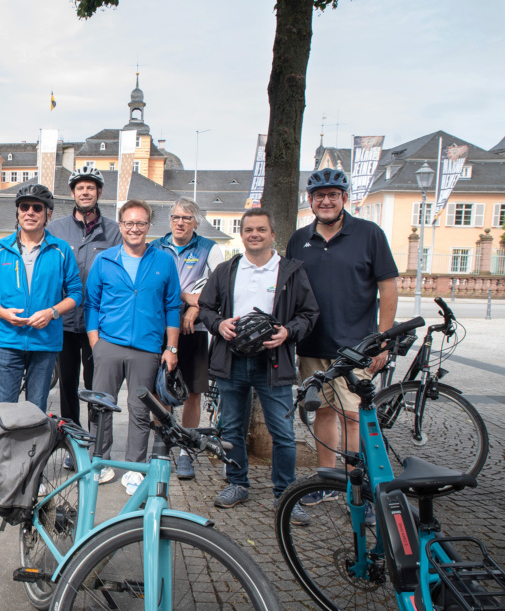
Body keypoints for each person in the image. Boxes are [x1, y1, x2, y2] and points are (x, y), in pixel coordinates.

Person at [198, 208, 319, 522]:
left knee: (283, 432)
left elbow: (309, 314)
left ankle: (286, 495)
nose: (254, 234)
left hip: (273, 362)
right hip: (232, 359)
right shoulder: (227, 270)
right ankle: (238, 484)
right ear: (242, 234)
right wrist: (219, 325)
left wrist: (288, 332)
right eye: (249, 229)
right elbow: (206, 308)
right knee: (232, 428)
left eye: (261, 230)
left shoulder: (291, 271)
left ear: (272, 234)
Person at [286, 168, 398, 505]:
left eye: (333, 194)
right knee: (322, 412)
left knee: (353, 416)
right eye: (319, 195)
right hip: (312, 344)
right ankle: (326, 479)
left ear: (344, 198)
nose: (326, 200)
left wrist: (384, 338)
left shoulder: (369, 234)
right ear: (310, 200)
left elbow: (388, 287)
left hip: (355, 347)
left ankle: (357, 487)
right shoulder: (299, 239)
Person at [0, 184, 82, 501]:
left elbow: (75, 294)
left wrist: (51, 312)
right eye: (25, 207)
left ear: (48, 213)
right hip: (8, 339)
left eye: (37, 208)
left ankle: (32, 477)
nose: (30, 213)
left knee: (36, 413)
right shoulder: (0, 249)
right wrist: (2, 312)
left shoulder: (61, 250)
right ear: (18, 212)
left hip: (45, 341)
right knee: (3, 409)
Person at [84, 199, 181, 490]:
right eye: (129, 223)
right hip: (108, 345)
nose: (134, 228)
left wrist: (171, 347)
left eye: (140, 223)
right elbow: (91, 304)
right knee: (101, 406)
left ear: (149, 226)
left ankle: (135, 469)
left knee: (140, 411)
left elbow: (172, 306)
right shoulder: (104, 259)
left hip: (147, 349)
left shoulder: (163, 260)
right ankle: (99, 461)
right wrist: (95, 344)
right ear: (120, 225)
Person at [153, 197, 225, 480]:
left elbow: (218, 289)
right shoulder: (156, 247)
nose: (179, 222)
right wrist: (186, 297)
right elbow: (153, 284)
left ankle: (186, 451)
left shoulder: (210, 248)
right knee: (161, 391)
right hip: (160, 328)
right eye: (175, 217)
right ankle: (162, 447)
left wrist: (197, 307)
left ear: (197, 221)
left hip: (195, 333)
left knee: (194, 393)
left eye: (186, 218)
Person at [47, 166, 121, 428]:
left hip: (97, 323)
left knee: (95, 384)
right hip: (64, 321)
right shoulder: (55, 229)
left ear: (99, 192)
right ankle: (72, 438)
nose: (85, 192)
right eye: (80, 188)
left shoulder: (114, 232)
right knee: (66, 383)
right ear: (73, 193)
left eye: (90, 187)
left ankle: (96, 441)